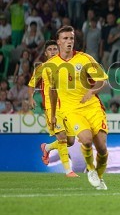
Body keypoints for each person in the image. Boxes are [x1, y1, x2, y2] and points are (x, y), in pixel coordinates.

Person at [46, 26, 109, 190]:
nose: (69, 42)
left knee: (102, 147)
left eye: (71, 38)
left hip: (92, 107)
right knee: (86, 140)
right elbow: (52, 92)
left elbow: (102, 80)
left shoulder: (85, 59)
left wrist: (92, 90)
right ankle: (91, 170)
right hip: (71, 111)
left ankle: (99, 176)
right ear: (58, 41)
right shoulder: (51, 65)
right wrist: (53, 115)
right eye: (65, 38)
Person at [27, 40, 78, 177]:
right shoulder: (42, 68)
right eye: (50, 49)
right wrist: (31, 98)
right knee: (61, 136)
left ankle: (47, 147)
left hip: (67, 107)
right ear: (45, 53)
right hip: (51, 108)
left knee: (71, 141)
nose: (53, 51)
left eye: (55, 49)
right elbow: (31, 84)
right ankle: (68, 171)